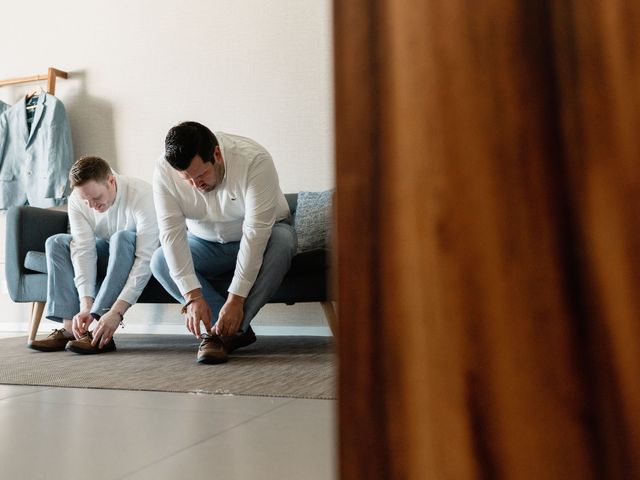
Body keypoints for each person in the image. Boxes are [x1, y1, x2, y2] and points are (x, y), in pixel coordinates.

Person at [151, 122, 296, 364]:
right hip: (205, 243)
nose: (196, 186)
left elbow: (255, 233)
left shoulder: (254, 160)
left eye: (201, 175)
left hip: (265, 236)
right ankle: (229, 332)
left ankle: (227, 332)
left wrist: (236, 300)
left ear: (216, 154)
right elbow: (171, 233)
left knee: (283, 241)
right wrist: (193, 297)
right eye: (187, 180)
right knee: (159, 259)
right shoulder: (163, 172)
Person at [29, 156, 159, 354]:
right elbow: (83, 250)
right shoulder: (77, 200)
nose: (91, 206)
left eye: (96, 198)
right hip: (106, 252)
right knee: (56, 242)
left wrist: (116, 312)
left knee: (121, 237)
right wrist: (85, 305)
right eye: (85, 200)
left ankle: (101, 329)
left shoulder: (142, 194)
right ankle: (71, 329)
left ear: (111, 181)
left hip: (135, 252)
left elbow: (146, 258)